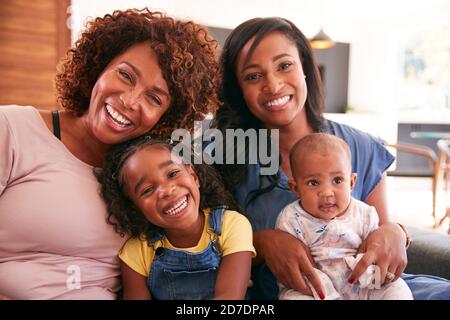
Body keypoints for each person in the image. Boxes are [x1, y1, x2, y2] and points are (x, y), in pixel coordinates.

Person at [213, 16, 450, 300]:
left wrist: (395, 234)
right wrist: (261, 244)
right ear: (240, 90)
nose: (273, 85)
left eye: (284, 65)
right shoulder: (226, 156)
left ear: (304, 69)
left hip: (368, 289)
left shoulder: (360, 146)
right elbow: (202, 251)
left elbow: (381, 232)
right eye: (253, 76)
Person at [0, 8, 220, 299]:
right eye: (126, 76)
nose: (129, 101)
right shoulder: (13, 129)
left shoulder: (155, 177)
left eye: (153, 98)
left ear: (166, 117)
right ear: (100, 67)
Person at [96, 137, 255, 300]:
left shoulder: (232, 225)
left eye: (172, 174)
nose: (166, 190)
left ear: (194, 176)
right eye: (148, 190)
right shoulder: (136, 253)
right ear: (135, 208)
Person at [276, 133, 413, 300]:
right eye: (313, 183)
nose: (327, 193)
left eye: (337, 180)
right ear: (295, 188)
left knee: (397, 289)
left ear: (352, 182)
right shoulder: (291, 218)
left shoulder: (365, 214)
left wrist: (372, 276)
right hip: (314, 289)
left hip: (363, 284)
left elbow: (375, 253)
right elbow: (295, 266)